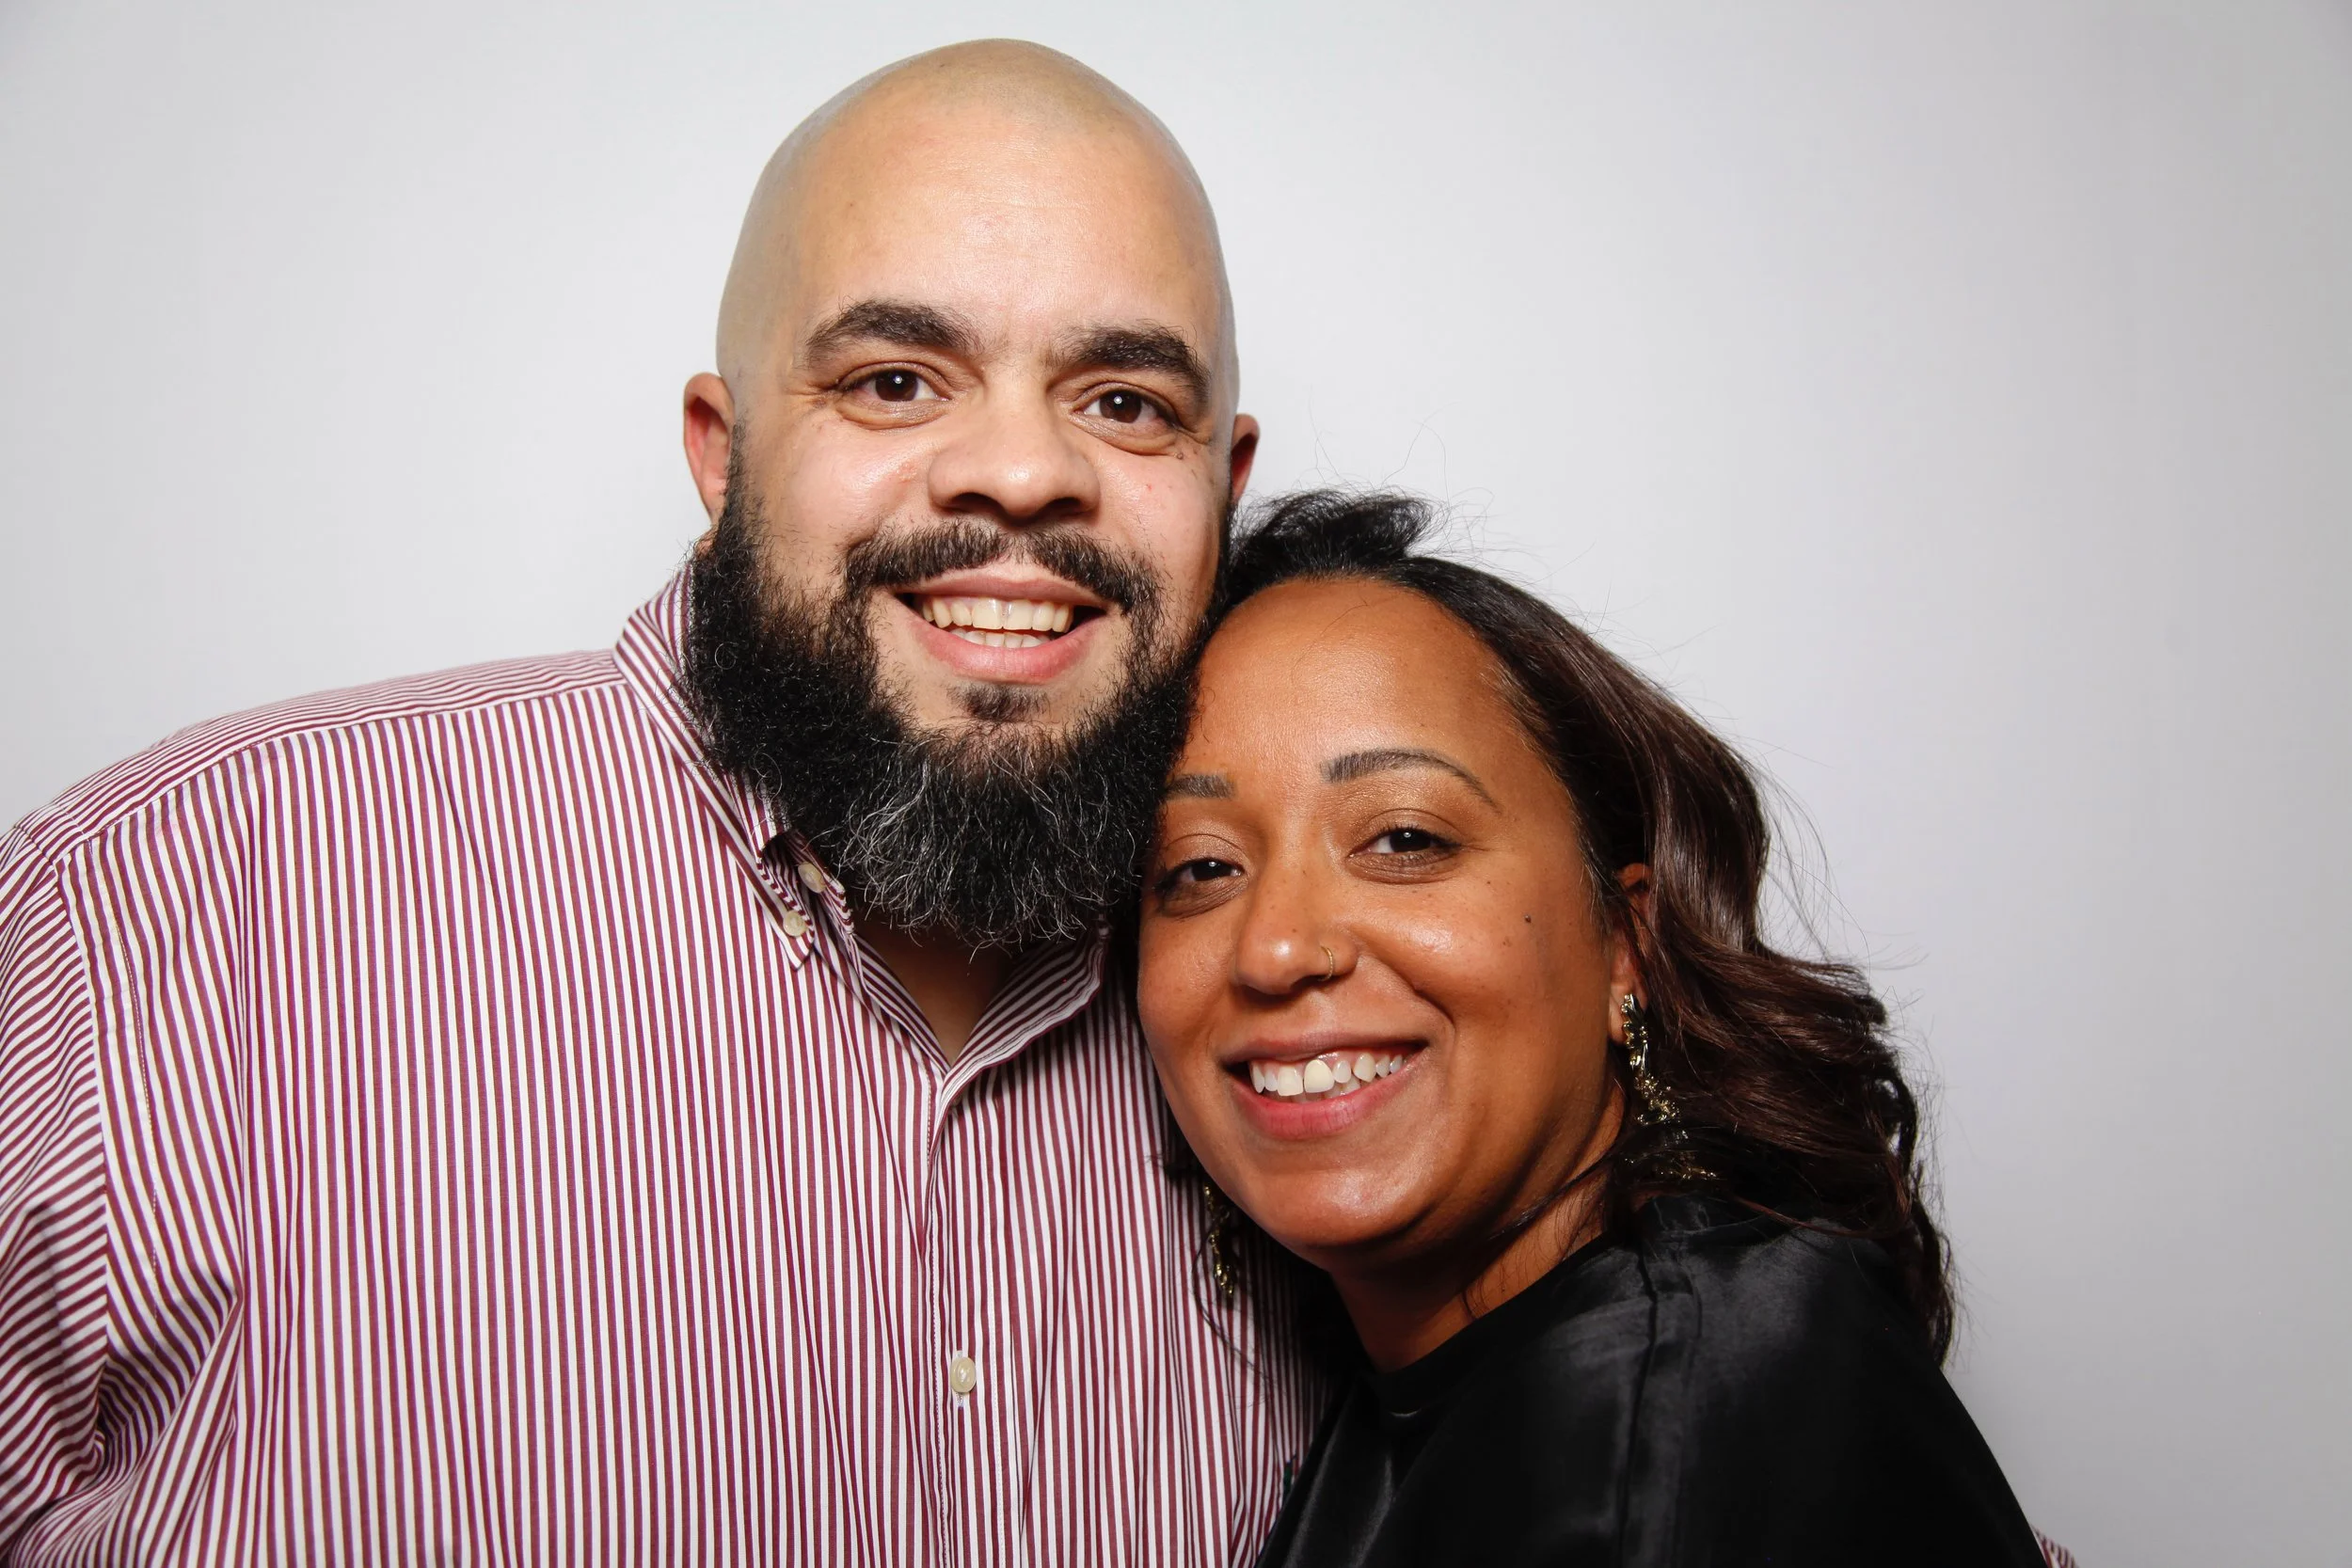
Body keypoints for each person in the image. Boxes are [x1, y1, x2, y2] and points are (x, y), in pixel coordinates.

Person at [0, 41, 1319, 1562]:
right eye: (895, 380)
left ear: (1223, 488)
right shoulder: (161, 916)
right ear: (723, 450)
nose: (1021, 471)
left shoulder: (1321, 1033)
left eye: (1124, 400)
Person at [1137, 491, 2049, 1567]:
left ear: (1627, 942)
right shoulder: (1486, 1363)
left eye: (1402, 837)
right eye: (1200, 865)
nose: (1275, 948)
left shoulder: (1652, 1425)